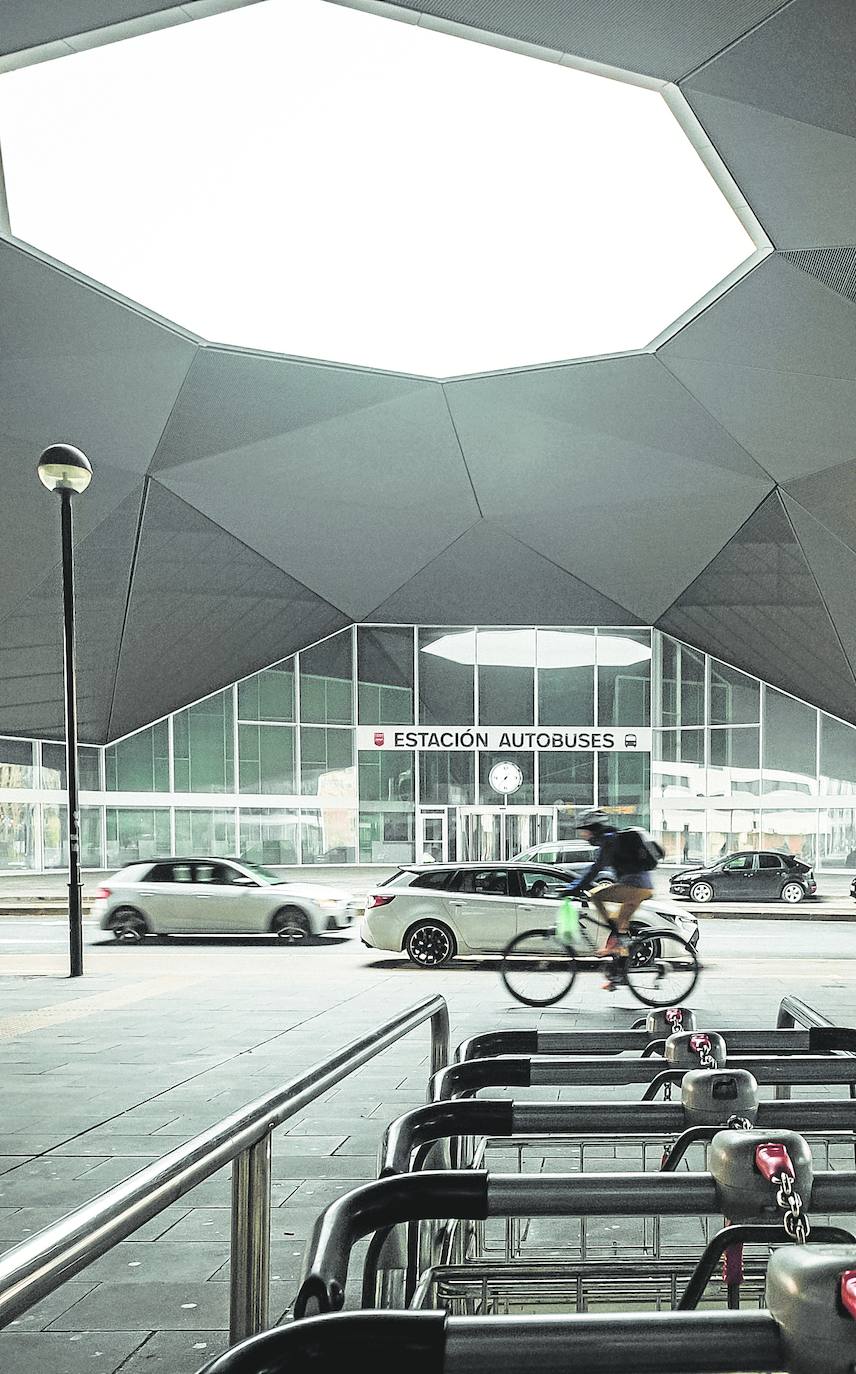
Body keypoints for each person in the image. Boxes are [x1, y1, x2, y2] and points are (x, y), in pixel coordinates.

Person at [563, 808, 656, 988]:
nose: (584, 835)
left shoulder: (609, 840)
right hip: (639, 887)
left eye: (585, 831)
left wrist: (574, 888)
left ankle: (618, 940)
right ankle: (617, 975)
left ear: (594, 828)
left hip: (636, 887)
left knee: (596, 895)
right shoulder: (611, 838)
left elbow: (595, 869)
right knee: (619, 929)